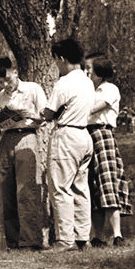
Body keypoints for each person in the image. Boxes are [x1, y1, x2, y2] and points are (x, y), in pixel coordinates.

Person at [41, 38, 95, 252]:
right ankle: (83, 236)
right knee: (81, 188)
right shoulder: (87, 81)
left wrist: (41, 115)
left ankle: (65, 239)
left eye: (56, 60)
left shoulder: (64, 82)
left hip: (66, 134)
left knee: (60, 187)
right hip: (84, 134)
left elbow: (48, 112)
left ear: (62, 59)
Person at [0, 56, 49, 250]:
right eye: (0, 82)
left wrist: (28, 114)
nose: (5, 84)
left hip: (27, 136)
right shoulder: (0, 98)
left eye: (7, 79)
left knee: (27, 191)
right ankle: (13, 241)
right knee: (6, 191)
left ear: (15, 72)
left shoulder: (33, 89)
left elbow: (45, 117)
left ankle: (31, 241)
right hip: (6, 140)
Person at [85, 54, 132, 247]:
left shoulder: (110, 89)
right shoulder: (89, 90)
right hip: (87, 135)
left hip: (102, 135)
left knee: (107, 183)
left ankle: (117, 235)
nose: (86, 72)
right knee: (93, 185)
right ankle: (98, 236)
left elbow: (93, 108)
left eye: (89, 68)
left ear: (99, 71)